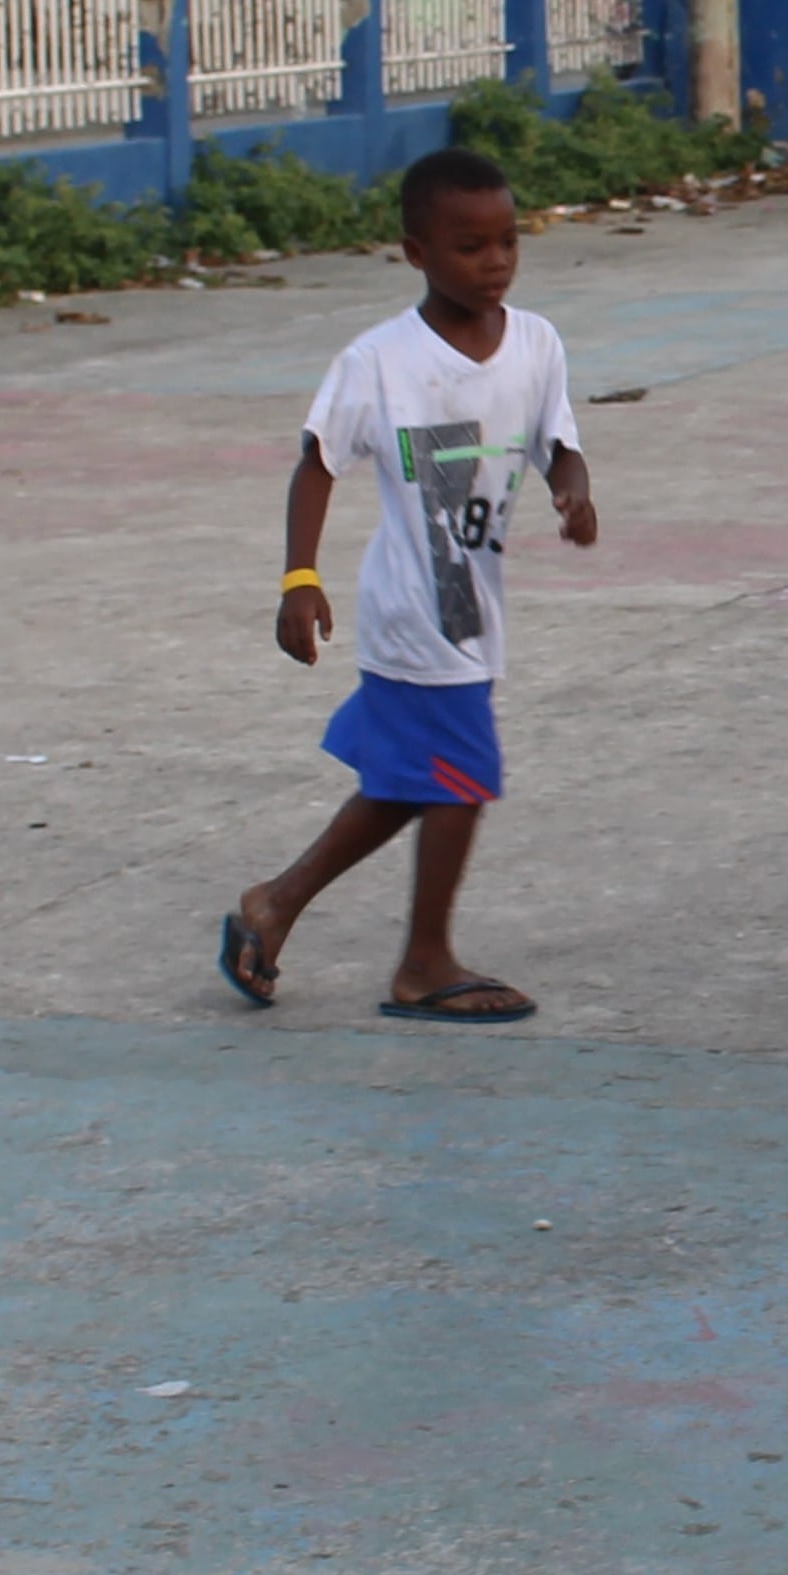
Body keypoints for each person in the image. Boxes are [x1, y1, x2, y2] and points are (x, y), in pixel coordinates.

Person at [217, 148, 597, 1025]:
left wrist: (573, 490)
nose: (495, 261)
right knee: (461, 777)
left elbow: (558, 441)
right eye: (470, 246)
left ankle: (271, 905)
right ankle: (424, 964)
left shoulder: (536, 343)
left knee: (409, 780)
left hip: (473, 604)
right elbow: (317, 462)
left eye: (508, 241)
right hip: (413, 606)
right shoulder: (379, 360)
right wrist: (299, 578)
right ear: (416, 252)